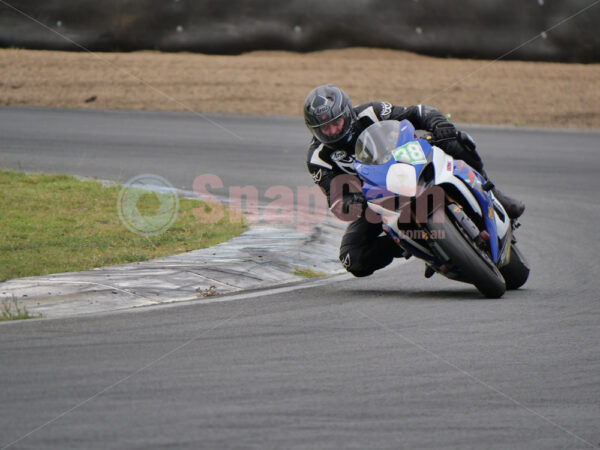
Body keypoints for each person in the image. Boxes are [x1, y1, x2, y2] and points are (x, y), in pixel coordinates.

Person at [304, 83, 525, 277]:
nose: (333, 131)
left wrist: (437, 122)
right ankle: (411, 246)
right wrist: (350, 202)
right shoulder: (318, 158)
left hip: (409, 163)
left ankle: (495, 193)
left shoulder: (371, 112)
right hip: (377, 200)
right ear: (315, 130)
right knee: (352, 258)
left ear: (347, 113)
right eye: (325, 128)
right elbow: (334, 195)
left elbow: (416, 113)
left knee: (455, 138)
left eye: (337, 122)